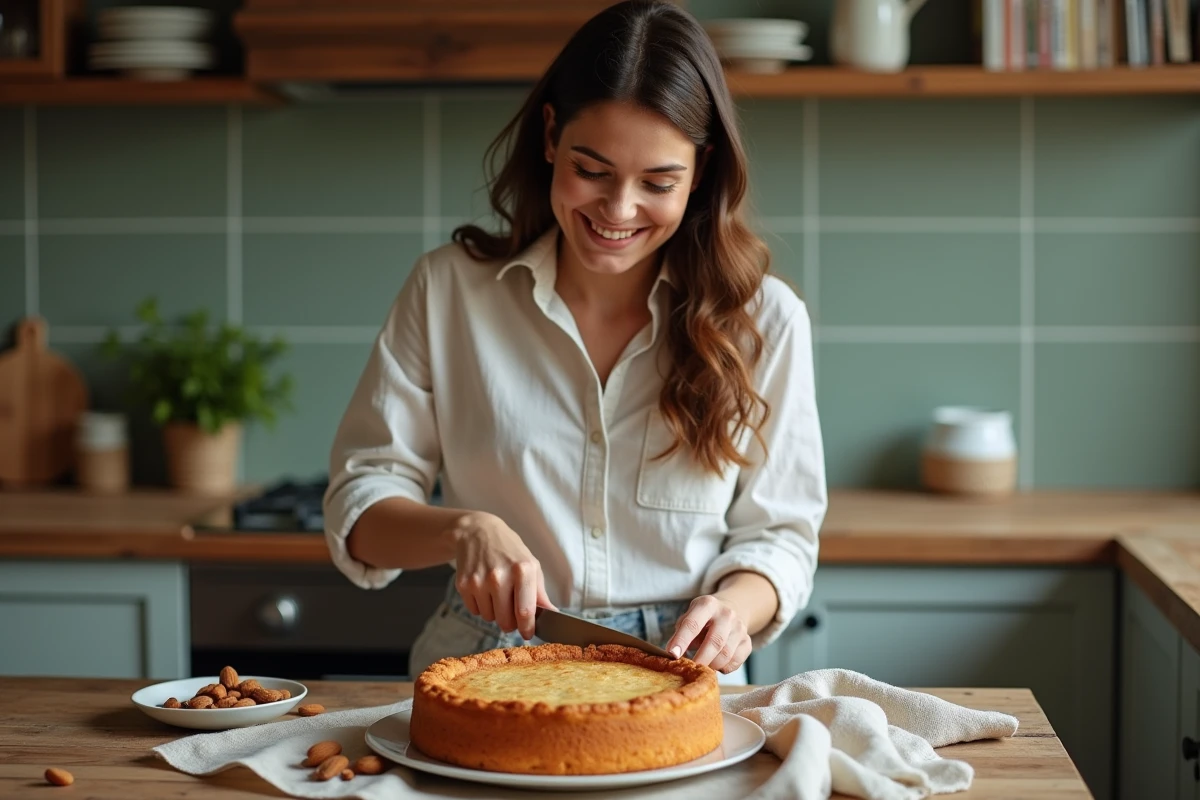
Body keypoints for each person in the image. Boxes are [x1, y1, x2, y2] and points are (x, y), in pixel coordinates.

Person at [322, 0, 827, 685]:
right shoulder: (447, 291)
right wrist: (463, 530)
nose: (618, 211)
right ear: (552, 136)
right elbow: (359, 510)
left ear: (701, 172)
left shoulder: (765, 320)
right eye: (592, 170)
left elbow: (781, 535)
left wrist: (736, 608)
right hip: (483, 655)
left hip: (677, 668)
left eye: (658, 182)